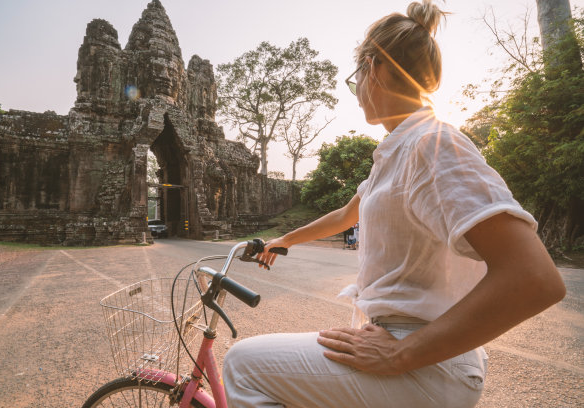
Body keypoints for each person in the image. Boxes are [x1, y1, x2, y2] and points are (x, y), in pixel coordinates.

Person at [223, 1, 566, 407]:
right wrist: (285, 239)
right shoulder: (396, 153)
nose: (357, 94)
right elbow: (347, 213)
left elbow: (535, 278)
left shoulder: (432, 146)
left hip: (425, 360)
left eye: (355, 79)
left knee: (243, 364)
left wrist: (403, 353)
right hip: (408, 348)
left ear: (374, 68)